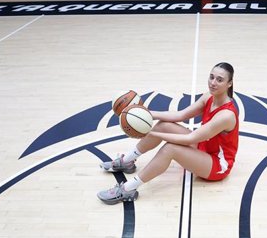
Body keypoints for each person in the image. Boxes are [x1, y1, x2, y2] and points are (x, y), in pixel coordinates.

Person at [98, 62, 238, 204]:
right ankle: (127, 161)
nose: (213, 83)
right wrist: (144, 114)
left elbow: (190, 138)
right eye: (211, 77)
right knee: (163, 125)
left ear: (229, 83)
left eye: (219, 80)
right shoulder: (208, 97)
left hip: (217, 165)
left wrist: (152, 134)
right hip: (205, 147)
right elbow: (180, 115)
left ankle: (128, 189)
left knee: (169, 149)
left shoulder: (226, 115)